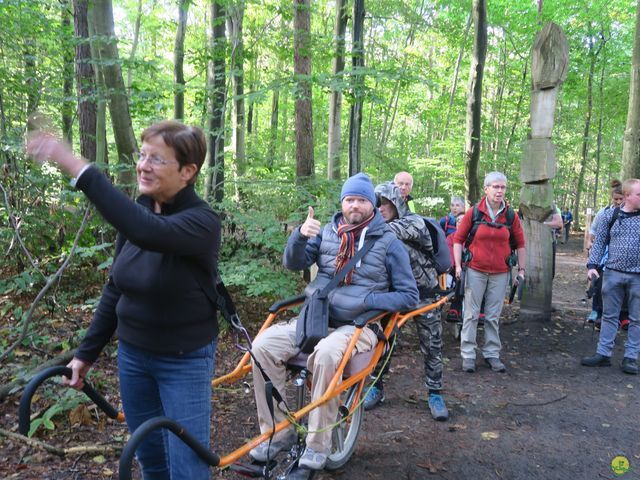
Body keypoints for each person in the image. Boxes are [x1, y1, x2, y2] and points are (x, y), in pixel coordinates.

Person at [27, 121, 221, 480]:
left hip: (184, 360)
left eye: (157, 159)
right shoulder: (142, 210)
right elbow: (116, 286)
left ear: (188, 171)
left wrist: (76, 165)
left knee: (187, 467)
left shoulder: (202, 222)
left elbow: (147, 232)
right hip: (133, 356)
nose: (143, 166)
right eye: (142, 155)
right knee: (151, 460)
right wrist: (86, 353)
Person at [249, 173, 418, 470]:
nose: (355, 205)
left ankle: (318, 444)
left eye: (361, 200)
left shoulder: (389, 242)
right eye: (350, 199)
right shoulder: (327, 232)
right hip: (315, 316)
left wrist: (369, 302)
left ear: (373, 204)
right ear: (342, 202)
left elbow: (408, 295)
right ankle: (278, 432)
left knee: (326, 354)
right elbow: (293, 262)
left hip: (360, 326)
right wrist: (300, 236)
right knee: (262, 346)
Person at [362, 182, 448, 420]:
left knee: (432, 345)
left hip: (424, 294)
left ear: (397, 203)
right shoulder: (376, 229)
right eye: (376, 204)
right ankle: (376, 387)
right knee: (383, 342)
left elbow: (393, 231)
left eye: (384, 204)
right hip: (394, 295)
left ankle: (434, 393)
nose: (379, 209)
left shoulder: (414, 223)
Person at [453, 172, 526, 373]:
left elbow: (520, 244)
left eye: (502, 187)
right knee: (471, 314)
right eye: (495, 187)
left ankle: (491, 354)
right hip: (475, 270)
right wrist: (458, 266)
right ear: (486, 189)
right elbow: (458, 239)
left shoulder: (511, 215)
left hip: (501, 272)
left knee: (493, 315)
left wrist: (521, 269)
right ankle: (468, 354)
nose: (499, 191)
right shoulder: (474, 212)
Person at [581, 178, 640, 375]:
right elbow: (600, 242)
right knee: (608, 316)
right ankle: (603, 354)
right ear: (628, 196)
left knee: (636, 319)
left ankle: (631, 357)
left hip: (638, 277)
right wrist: (592, 266)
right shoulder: (610, 215)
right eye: (639, 194)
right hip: (612, 273)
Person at [585, 180, 625, 327]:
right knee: (599, 283)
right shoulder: (604, 212)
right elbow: (594, 230)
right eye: (616, 199)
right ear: (612, 198)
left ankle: (620, 315)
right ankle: (596, 310)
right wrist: (590, 242)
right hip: (603, 256)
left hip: (618, 257)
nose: (619, 202)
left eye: (621, 199)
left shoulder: (630, 213)